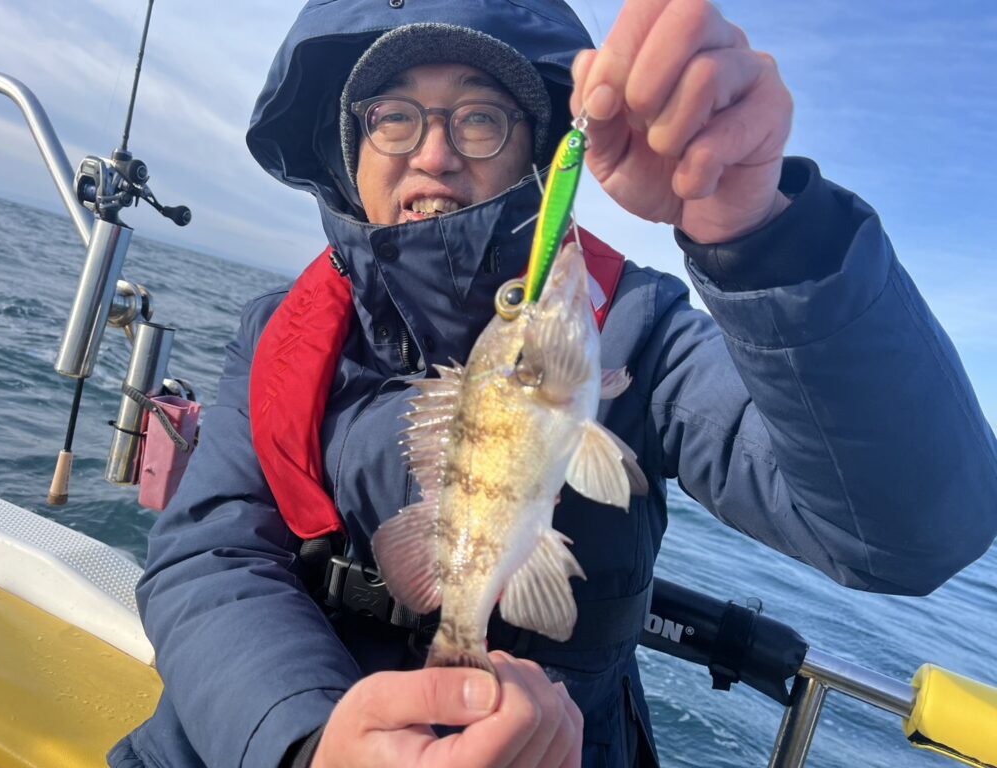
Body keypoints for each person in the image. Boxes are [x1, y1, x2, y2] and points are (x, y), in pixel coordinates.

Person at [109, 1, 997, 767]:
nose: (434, 154)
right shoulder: (280, 329)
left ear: (537, 153)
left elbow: (909, 534)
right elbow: (208, 555)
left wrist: (766, 240)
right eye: (393, 117)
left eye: (480, 119)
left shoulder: (640, 328)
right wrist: (304, 739)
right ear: (349, 151)